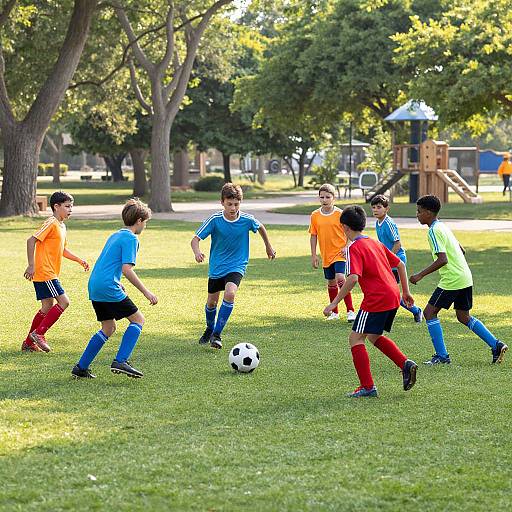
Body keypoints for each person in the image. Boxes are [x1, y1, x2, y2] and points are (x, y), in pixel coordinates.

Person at [324, 205, 418, 398]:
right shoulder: (375, 242)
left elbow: (353, 278)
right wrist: (405, 292)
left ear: (345, 227)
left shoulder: (354, 248)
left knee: (355, 338)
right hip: (392, 295)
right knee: (373, 336)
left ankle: (368, 387)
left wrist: (334, 304)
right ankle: (405, 364)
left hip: (377, 298)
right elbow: (399, 264)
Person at [410, 194, 507, 365]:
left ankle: (442, 356)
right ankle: (496, 344)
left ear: (428, 212)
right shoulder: (443, 227)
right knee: (463, 316)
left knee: (429, 313)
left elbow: (442, 259)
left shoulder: (433, 231)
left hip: (452, 280)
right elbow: (461, 250)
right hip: (465, 277)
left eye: (419, 212)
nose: (417, 215)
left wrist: (420, 275)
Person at [71, 198, 158, 379]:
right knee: (138, 320)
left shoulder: (115, 234)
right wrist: (146, 292)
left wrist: (117, 282)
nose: (145, 226)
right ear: (139, 221)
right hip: (107, 286)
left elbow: (108, 263)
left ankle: (81, 367)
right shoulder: (131, 238)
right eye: (145, 222)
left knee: (108, 327)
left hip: (96, 285)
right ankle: (121, 361)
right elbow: (127, 269)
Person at [191, 183, 276, 349]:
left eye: (236, 204)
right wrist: (197, 252)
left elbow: (261, 227)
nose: (233, 207)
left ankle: (217, 334)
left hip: (237, 265)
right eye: (229, 204)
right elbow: (195, 240)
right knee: (211, 303)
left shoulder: (246, 220)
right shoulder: (215, 220)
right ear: (222, 202)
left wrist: (268, 246)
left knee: (230, 293)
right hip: (217, 267)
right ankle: (210, 328)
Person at [23, 191, 89, 353]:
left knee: (47, 306)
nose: (70, 210)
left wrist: (79, 260)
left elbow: (63, 250)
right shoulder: (51, 222)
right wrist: (31, 265)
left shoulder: (62, 226)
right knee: (64, 302)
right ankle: (39, 333)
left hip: (49, 273)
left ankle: (28, 343)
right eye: (67, 206)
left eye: (71, 206)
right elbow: (31, 240)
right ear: (56, 206)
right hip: (45, 272)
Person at [370, 194, 423, 323]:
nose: (375, 210)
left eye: (379, 207)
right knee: (387, 291)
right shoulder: (378, 222)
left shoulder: (389, 223)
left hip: (396, 261)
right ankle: (415, 311)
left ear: (386, 208)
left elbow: (397, 243)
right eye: (373, 207)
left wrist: (388, 258)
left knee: (390, 292)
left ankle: (415, 311)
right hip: (388, 260)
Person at [309, 183, 356, 322]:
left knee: (341, 278)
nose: (324, 200)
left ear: (333, 198)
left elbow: (350, 232)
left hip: (340, 254)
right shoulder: (315, 215)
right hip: (326, 255)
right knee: (331, 282)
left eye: (327, 197)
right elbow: (313, 235)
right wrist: (313, 255)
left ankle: (350, 311)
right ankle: (334, 313)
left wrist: (346, 246)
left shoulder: (340, 214)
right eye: (322, 197)